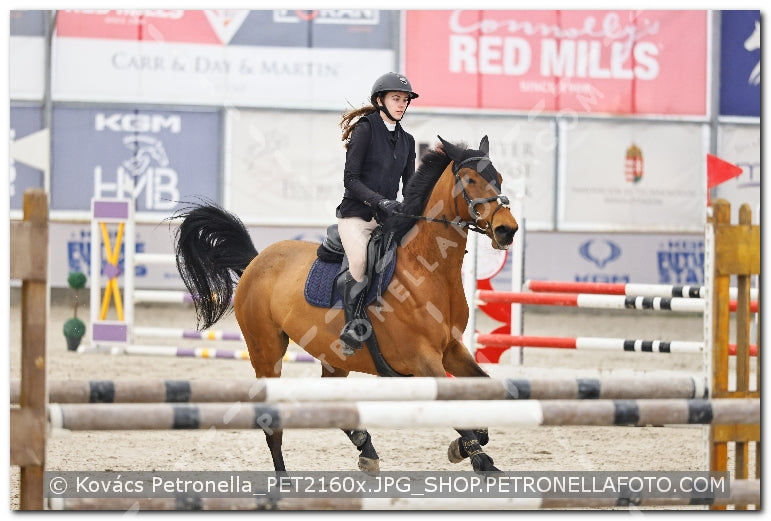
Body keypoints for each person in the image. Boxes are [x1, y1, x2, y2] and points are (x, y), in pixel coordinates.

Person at [334, 72, 418, 355]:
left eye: (405, 100)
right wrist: (380, 201)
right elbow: (351, 179)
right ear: (380, 100)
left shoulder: (408, 141)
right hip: (356, 216)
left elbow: (410, 189)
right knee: (358, 263)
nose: (401, 105)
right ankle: (352, 328)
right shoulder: (365, 129)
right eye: (396, 99)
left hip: (387, 220)